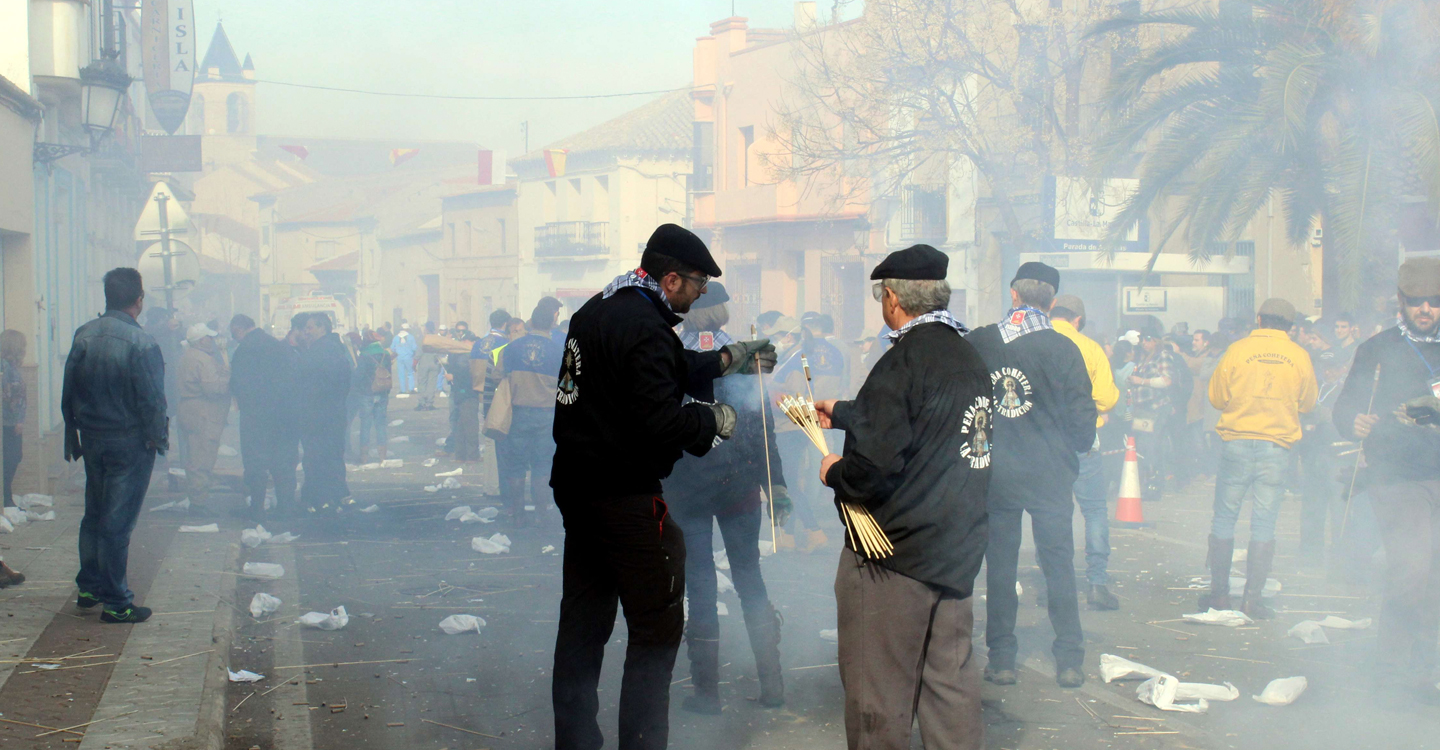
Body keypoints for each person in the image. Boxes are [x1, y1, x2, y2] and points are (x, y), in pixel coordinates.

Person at [550, 223, 775, 750]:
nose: (700, 295)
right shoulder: (647, 326)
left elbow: (658, 370)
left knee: (582, 625)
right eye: (697, 284)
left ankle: (576, 741)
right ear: (671, 279)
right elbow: (660, 419)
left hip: (580, 489)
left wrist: (727, 359)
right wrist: (712, 422)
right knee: (655, 629)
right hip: (625, 493)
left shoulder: (601, 309)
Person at [811, 244, 991, 750]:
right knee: (949, 690)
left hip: (895, 559)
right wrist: (846, 411)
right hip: (954, 552)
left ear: (892, 298)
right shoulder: (967, 355)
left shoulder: (903, 361)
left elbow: (872, 473)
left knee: (879, 699)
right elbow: (926, 423)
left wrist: (834, 471)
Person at [967, 261, 1096, 689]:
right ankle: (1070, 659)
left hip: (997, 474)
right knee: (1058, 564)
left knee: (1000, 566)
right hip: (1049, 475)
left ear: (1014, 294)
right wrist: (1071, 449)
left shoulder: (981, 342)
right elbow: (1082, 419)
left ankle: (1002, 658)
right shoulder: (1063, 348)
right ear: (1053, 301)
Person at [666, 282, 790, 715]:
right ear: (722, 313)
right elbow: (761, 425)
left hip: (687, 491)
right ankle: (772, 685)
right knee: (749, 578)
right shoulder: (744, 356)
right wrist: (775, 485)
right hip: (739, 486)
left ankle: (706, 694)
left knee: (700, 586)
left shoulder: (672, 353)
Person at [1333, 257, 1440, 695]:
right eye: (1417, 302)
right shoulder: (1377, 349)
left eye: (1434, 302)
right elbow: (1343, 408)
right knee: (1411, 568)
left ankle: (1425, 665)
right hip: (1397, 477)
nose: (1426, 310)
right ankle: (1393, 669)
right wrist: (1352, 421)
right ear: (1401, 302)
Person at [61, 268, 168, 623]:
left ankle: (88, 588)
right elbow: (152, 400)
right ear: (139, 301)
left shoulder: (84, 335)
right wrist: (159, 439)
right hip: (129, 442)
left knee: (94, 514)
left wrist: (71, 433)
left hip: (92, 439)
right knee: (117, 524)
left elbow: (69, 390)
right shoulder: (143, 343)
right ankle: (117, 602)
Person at [1199, 299, 1317, 619]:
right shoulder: (1300, 356)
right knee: (1265, 523)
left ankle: (1219, 596)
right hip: (1276, 446)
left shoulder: (1237, 350)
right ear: (1290, 327)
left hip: (1236, 440)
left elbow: (1217, 397)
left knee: (1224, 517)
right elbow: (1307, 402)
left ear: (1259, 319)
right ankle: (1252, 600)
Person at [1050, 295, 1122, 610]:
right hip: (1083, 438)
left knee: (1052, 512)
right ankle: (1096, 584)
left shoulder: (1035, 342)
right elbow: (1106, 400)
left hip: (1046, 441)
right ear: (1078, 319)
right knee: (1093, 511)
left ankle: (1054, 584)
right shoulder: (1090, 348)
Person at [495, 298, 563, 523]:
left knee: (516, 465)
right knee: (542, 466)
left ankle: (518, 513)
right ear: (552, 323)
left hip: (519, 413)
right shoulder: (560, 351)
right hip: (547, 415)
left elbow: (498, 374)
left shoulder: (511, 347)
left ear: (531, 322)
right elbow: (570, 388)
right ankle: (541, 514)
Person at [229, 314, 299, 520]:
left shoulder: (245, 350)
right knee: (283, 461)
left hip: (256, 415)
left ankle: (257, 508)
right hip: (283, 414)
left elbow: (239, 384)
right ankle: (285, 507)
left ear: (238, 328)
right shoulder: (276, 345)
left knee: (256, 462)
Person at [297, 313, 353, 513]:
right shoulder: (336, 349)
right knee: (333, 455)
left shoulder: (321, 351)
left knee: (316, 456)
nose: (306, 332)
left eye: (310, 327)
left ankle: (319, 497)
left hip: (319, 415)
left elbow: (313, 385)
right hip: (334, 413)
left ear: (322, 329)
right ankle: (338, 494)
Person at [175, 323, 231, 509]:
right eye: (209, 337)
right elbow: (213, 389)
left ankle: (196, 497)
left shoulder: (188, 356)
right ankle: (199, 503)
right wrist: (227, 379)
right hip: (203, 413)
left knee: (193, 456)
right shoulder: (203, 359)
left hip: (189, 410)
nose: (212, 340)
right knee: (202, 458)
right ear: (201, 340)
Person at [1127, 319, 1181, 499]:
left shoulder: (1163, 356)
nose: (1144, 342)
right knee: (1143, 446)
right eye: (1142, 339)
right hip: (1143, 409)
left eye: (1147, 338)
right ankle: (1147, 482)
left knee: (1152, 445)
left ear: (1156, 340)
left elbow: (1166, 381)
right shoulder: (1143, 359)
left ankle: (1155, 485)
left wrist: (1141, 381)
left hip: (1157, 408)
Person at [354, 333, 394, 463]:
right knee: (381, 425)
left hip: (367, 393)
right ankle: (382, 456)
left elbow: (358, 376)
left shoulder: (364, 356)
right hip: (382, 392)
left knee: (365, 425)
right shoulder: (385, 355)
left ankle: (364, 456)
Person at [2, 330, 26, 510]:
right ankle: (6, 497)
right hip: (9, 423)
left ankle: (7, 496)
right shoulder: (5, 368)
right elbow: (9, 397)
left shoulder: (11, 367)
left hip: (13, 421)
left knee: (14, 457)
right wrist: (16, 420)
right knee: (11, 458)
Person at [391, 323, 418, 395]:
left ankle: (403, 389)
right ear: (408, 329)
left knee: (401, 374)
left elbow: (392, 348)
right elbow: (414, 348)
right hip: (409, 357)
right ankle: (411, 388)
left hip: (399, 358)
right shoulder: (411, 337)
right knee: (410, 373)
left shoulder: (396, 337)